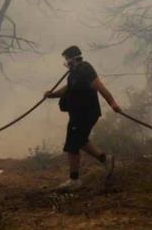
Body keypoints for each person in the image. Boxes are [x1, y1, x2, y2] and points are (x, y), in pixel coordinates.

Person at [44, 45, 122, 190]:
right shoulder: (73, 73)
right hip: (77, 113)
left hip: (86, 113)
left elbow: (99, 86)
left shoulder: (85, 69)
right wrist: (52, 94)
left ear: (73, 59)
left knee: (72, 144)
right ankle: (106, 159)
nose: (66, 62)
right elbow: (67, 88)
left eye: (66, 59)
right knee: (80, 140)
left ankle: (74, 180)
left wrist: (112, 103)